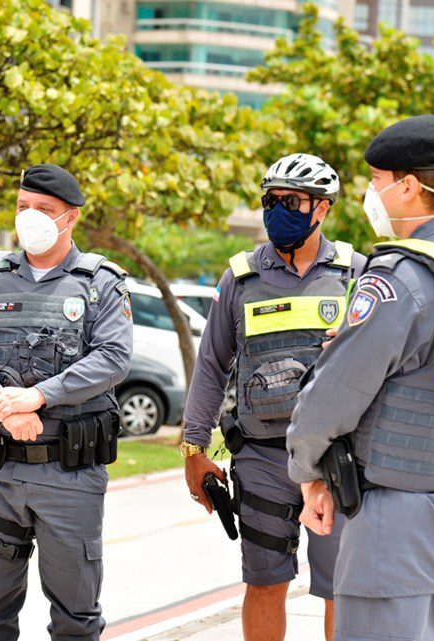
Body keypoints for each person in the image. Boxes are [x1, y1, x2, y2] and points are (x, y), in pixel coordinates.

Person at [286, 115, 434, 640]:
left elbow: (332, 397)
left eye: (376, 180)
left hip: (396, 524)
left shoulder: (398, 282)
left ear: (408, 187)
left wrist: (308, 472)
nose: (371, 192)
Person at [0, 164, 133, 641]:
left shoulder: (101, 284)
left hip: (69, 477)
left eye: (43, 210)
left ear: (69, 218)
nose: (29, 217)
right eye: (22, 207)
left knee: (76, 615)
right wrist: (1, 404)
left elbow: (113, 358)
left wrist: (37, 396)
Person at [181, 153, 364, 641]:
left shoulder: (356, 273)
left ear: (321, 209)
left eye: (291, 201)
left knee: (339, 589)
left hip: (336, 461)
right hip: (262, 459)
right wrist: (193, 450)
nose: (277, 209)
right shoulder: (239, 278)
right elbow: (211, 366)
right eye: (270, 200)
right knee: (264, 584)